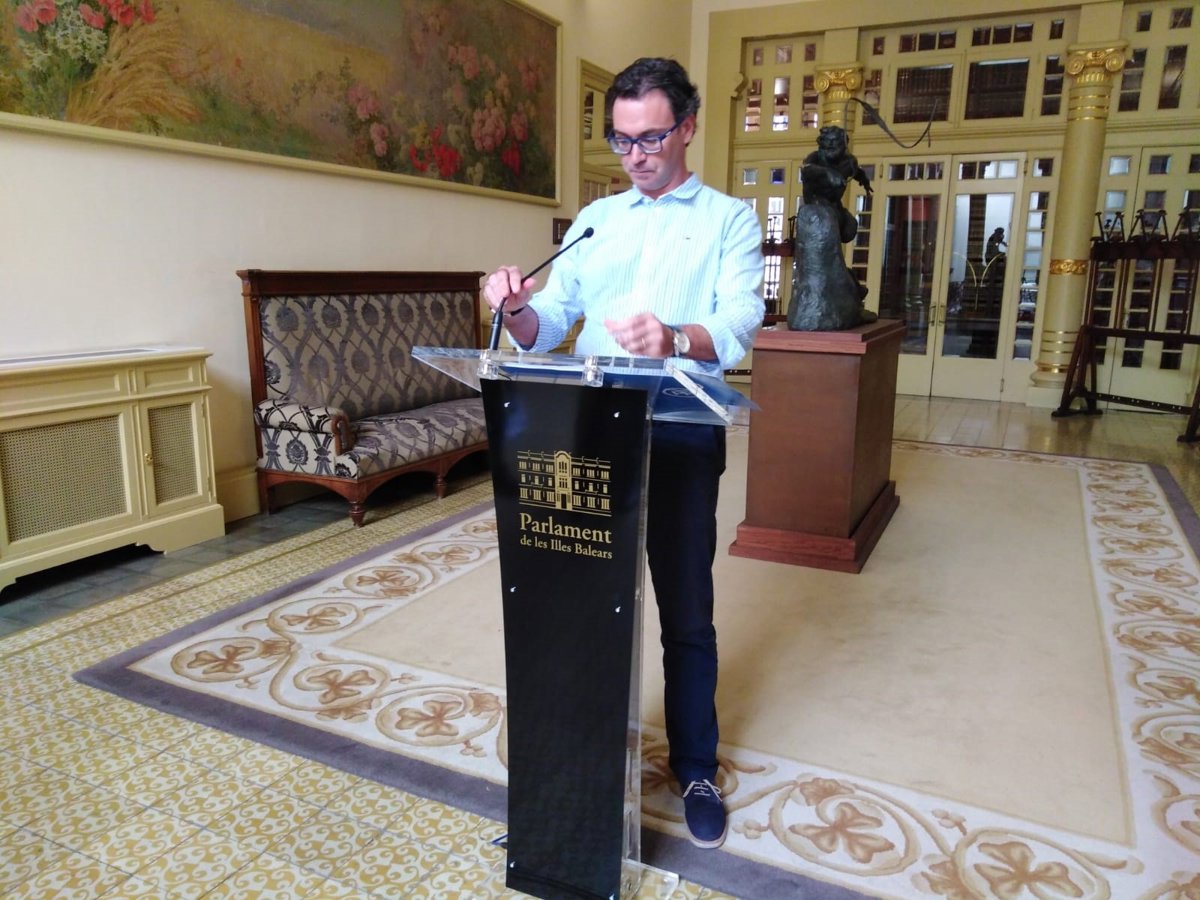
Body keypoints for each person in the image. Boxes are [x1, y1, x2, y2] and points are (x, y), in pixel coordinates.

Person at [482, 57, 764, 850]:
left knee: (685, 609)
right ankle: (580, 768)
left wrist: (675, 337)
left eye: (652, 137)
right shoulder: (595, 220)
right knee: (579, 610)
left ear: (688, 127)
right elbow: (549, 322)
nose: (635, 155)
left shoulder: (729, 221)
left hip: (680, 430)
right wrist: (517, 307)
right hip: (589, 430)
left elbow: (740, 321)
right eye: (621, 139)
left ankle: (696, 767)